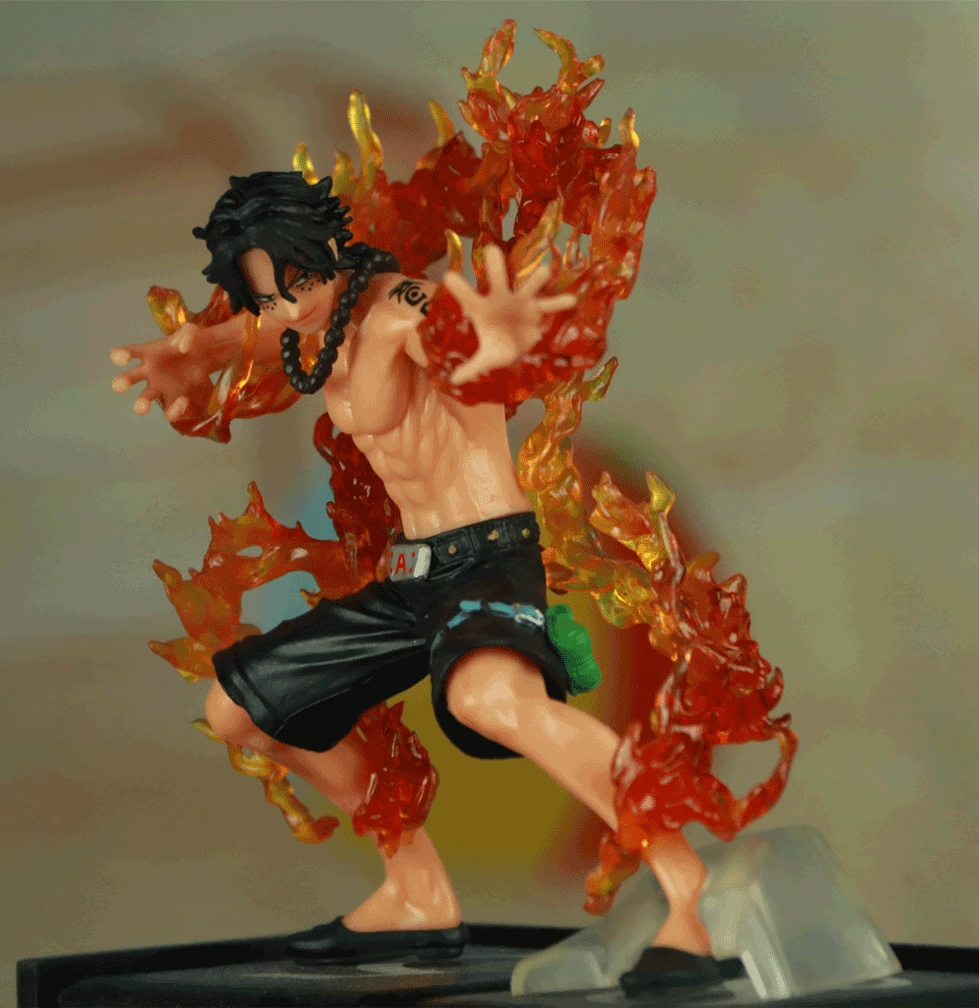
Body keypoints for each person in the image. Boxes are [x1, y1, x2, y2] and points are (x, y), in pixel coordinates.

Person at [111, 170, 722, 989]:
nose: (291, 306)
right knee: (238, 709)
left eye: (300, 282)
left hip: (486, 559)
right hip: (408, 581)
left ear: (332, 248)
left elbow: (456, 338)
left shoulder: (403, 306)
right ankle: (416, 889)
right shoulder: (302, 325)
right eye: (269, 295)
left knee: (490, 702)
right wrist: (192, 352)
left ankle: (690, 888)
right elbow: (248, 337)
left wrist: (499, 350)